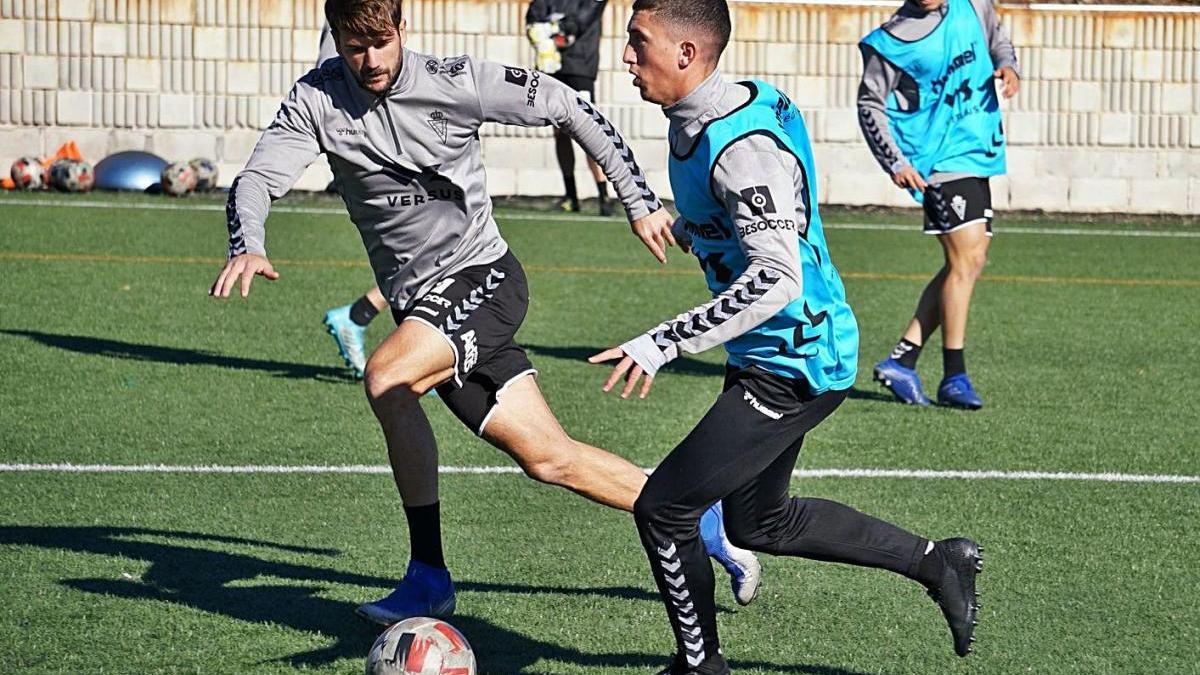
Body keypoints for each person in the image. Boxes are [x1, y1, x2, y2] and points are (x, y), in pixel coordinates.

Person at [209, 0, 760, 628]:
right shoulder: (316, 101)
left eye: (381, 43)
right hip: (425, 310)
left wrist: (636, 198)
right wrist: (247, 243)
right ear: (333, 39)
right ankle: (693, 514)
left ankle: (427, 576)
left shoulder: (456, 81)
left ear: (403, 30)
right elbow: (253, 180)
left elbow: (567, 104)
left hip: (484, 281)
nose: (369, 60)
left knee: (388, 378)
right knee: (549, 458)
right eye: (353, 46)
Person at [590, 0, 983, 671]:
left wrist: (662, 342)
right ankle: (937, 561)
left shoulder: (737, 147)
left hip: (796, 361)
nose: (626, 56)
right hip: (772, 351)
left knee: (665, 507)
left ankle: (699, 663)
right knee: (757, 522)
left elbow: (778, 276)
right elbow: (762, 225)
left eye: (638, 42)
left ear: (687, 54)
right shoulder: (716, 111)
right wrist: (690, 228)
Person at [857, 0, 1020, 409]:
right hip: (937, 161)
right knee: (966, 261)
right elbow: (869, 103)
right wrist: (895, 162)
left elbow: (998, 38)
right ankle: (954, 375)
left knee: (969, 261)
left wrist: (1008, 65)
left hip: (977, 150)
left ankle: (904, 358)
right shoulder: (894, 39)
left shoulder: (974, 5)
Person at [525, 0, 614, 215]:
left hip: (580, 67)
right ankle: (571, 196)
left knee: (589, 132)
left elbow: (580, 21)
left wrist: (553, 28)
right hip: (552, 67)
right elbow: (534, 17)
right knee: (559, 133)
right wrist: (541, 32)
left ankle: (604, 197)